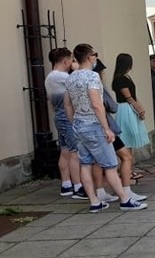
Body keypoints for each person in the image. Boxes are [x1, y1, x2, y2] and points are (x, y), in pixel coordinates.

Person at [63, 44, 147, 212]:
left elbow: (68, 105)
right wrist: (106, 128)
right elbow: (97, 104)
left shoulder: (71, 78)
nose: (95, 57)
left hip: (79, 125)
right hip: (94, 125)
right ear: (89, 57)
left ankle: (94, 202)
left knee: (85, 164)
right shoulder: (92, 77)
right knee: (109, 164)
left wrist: (74, 123)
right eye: (94, 54)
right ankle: (125, 200)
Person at [92, 58, 143, 203]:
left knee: (95, 161)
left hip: (86, 127)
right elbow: (111, 105)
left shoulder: (75, 82)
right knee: (124, 157)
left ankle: (99, 192)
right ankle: (125, 194)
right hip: (104, 126)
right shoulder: (96, 85)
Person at [45, 47, 84, 198]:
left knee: (65, 150)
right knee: (75, 151)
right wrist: (77, 69)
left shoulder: (51, 77)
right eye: (71, 60)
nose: (71, 63)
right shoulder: (59, 76)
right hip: (66, 116)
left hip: (59, 115)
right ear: (66, 61)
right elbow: (78, 82)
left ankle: (66, 184)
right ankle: (78, 186)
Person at [111, 53, 150, 201]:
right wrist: (139, 108)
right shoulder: (120, 79)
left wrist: (140, 106)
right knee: (127, 139)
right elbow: (128, 96)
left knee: (130, 141)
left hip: (129, 108)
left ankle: (129, 171)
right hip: (126, 109)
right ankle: (126, 174)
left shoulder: (125, 77)